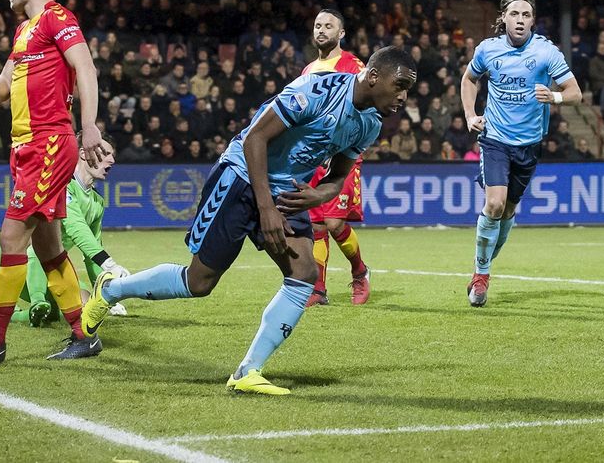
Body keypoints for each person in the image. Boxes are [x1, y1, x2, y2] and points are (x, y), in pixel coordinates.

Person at [81, 46, 417, 395]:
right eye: (400, 85)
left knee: (303, 274)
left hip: (286, 191)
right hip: (241, 178)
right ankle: (111, 290)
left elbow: (338, 175)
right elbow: (255, 137)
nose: (403, 96)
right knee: (199, 282)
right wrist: (265, 207)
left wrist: (320, 195)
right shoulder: (317, 91)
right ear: (374, 76)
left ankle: (248, 370)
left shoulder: (371, 123)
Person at [0, 0, 107, 364]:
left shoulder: (58, 18)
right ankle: (82, 333)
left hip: (49, 143)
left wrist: (89, 126)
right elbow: (5, 82)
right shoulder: (24, 31)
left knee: (11, 237)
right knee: (49, 247)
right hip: (24, 146)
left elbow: (86, 68)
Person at [461, 0, 581, 307]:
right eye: (515, 14)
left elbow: (574, 93)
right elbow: (469, 79)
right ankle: (482, 276)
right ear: (503, 18)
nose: (520, 20)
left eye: (526, 15)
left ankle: (480, 269)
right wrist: (471, 114)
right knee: (496, 205)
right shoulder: (489, 50)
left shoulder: (545, 52)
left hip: (529, 145)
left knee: (509, 211)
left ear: (532, 21)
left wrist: (553, 97)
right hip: (496, 140)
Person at [0, 136, 130, 327]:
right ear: (83, 153)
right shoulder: (60, 186)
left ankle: (15, 315)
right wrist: (109, 263)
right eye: (105, 153)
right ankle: (38, 301)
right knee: (36, 249)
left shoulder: (97, 203)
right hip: (26, 269)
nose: (111, 160)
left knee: (84, 306)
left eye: (112, 155)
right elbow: (75, 227)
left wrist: (108, 294)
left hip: (56, 272)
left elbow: (92, 252)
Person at [299, 9, 372, 307]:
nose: (321, 30)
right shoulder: (307, 71)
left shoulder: (353, 65)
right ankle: (318, 289)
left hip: (341, 153)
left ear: (341, 33)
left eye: (328, 26)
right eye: (317, 25)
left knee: (332, 222)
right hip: (313, 156)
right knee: (316, 226)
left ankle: (360, 272)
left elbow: (366, 104)